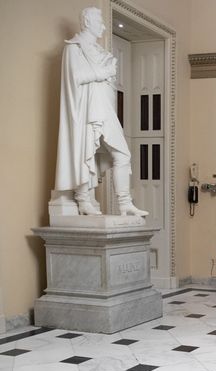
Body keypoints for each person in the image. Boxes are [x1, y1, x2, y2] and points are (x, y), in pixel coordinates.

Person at [55, 7, 147, 217]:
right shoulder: (74, 48)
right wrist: (104, 72)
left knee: (123, 154)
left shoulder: (101, 53)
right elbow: (75, 77)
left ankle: (125, 203)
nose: (104, 27)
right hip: (86, 110)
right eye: (100, 22)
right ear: (87, 22)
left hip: (105, 108)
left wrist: (107, 72)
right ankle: (83, 199)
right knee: (83, 152)